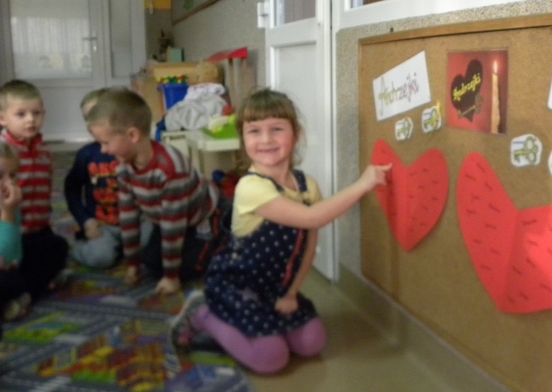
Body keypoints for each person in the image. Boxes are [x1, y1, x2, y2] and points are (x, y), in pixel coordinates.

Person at [169, 88, 391, 374]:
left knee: (312, 343)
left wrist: (291, 292)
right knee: (271, 358)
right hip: (238, 286)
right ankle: (202, 314)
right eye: (254, 131)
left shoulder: (306, 185)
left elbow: (308, 245)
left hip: (276, 287)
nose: (266, 140)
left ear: (295, 135)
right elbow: (312, 218)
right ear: (243, 139)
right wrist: (362, 184)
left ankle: (265, 327)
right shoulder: (250, 187)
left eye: (277, 129)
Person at [86, 88, 222, 296]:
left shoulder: (170, 168)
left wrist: (171, 276)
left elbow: (173, 226)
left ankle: (222, 235)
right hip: (165, 217)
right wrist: (133, 263)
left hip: (200, 217)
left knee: (189, 270)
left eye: (105, 143)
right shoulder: (123, 165)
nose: (103, 150)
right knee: (150, 262)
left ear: (132, 135)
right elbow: (128, 216)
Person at [65, 89, 153, 269]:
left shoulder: (136, 149)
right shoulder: (86, 155)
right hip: (103, 224)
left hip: (138, 220)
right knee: (101, 258)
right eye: (89, 119)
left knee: (151, 251)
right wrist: (86, 221)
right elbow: (71, 189)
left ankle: (125, 247)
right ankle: (83, 247)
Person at [0, 80, 69, 301]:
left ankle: (28, 286)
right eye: (21, 114)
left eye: (36, 113)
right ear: (2, 118)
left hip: (39, 228)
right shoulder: (3, 152)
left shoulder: (43, 150)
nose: (30, 119)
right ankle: (28, 288)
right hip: (10, 231)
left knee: (58, 248)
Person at [0, 142, 27, 322]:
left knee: (54, 246)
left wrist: (8, 212)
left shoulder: (10, 206)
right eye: (0, 176)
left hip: (8, 269)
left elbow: (10, 254)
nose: (9, 183)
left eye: (13, 175)